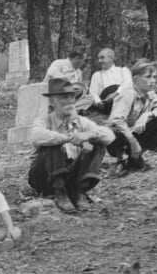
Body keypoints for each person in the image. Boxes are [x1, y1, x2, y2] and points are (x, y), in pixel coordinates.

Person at [29, 78, 115, 213]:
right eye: (64, 97)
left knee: (97, 143)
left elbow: (110, 136)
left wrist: (88, 135)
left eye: (72, 97)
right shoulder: (44, 120)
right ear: (52, 102)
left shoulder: (81, 122)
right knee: (52, 142)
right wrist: (66, 138)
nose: (70, 101)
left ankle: (79, 191)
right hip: (45, 178)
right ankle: (59, 192)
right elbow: (35, 135)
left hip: (71, 176)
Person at [106, 58, 157, 173]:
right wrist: (133, 142)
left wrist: (147, 115)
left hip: (135, 132)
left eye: (154, 77)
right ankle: (121, 157)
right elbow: (116, 121)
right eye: (148, 77)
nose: (153, 81)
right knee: (114, 131)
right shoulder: (128, 93)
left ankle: (134, 158)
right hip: (119, 135)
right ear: (136, 79)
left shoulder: (151, 94)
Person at [83, 48, 133, 116]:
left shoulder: (123, 70)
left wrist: (115, 94)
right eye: (99, 58)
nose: (99, 61)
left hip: (124, 101)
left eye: (102, 58)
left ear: (111, 58)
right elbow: (93, 92)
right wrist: (98, 101)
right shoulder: (97, 75)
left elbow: (128, 84)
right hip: (106, 104)